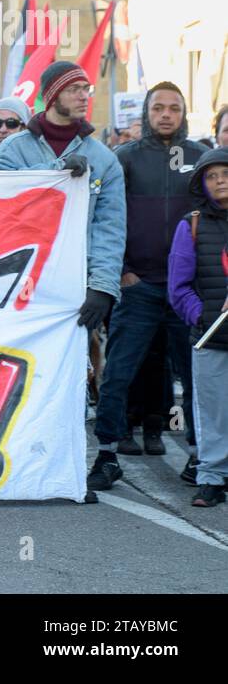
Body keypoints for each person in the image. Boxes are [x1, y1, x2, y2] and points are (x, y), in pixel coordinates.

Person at [88, 83, 207, 492]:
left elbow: (213, 222)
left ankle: (201, 457)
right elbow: (102, 218)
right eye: (158, 108)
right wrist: (121, 270)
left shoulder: (200, 159)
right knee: (118, 373)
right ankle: (106, 453)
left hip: (187, 293)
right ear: (146, 112)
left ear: (184, 112)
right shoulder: (124, 158)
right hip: (137, 286)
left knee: (195, 379)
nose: (166, 115)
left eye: (175, 108)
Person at [0, 60, 125, 360]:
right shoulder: (14, 149)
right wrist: (55, 172)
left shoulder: (104, 159)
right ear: (52, 95)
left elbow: (109, 230)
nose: (83, 96)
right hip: (16, 282)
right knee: (14, 366)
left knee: (66, 371)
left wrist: (101, 288)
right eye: (74, 89)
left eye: (85, 89)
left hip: (73, 287)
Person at [167, 147, 228, 506]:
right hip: (211, 336)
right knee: (212, 412)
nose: (221, 181)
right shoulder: (191, 224)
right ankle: (212, 478)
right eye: (212, 176)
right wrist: (204, 315)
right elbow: (179, 288)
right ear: (202, 184)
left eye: (226, 174)